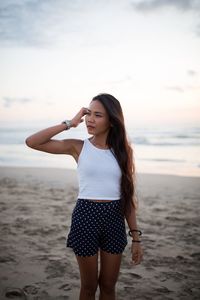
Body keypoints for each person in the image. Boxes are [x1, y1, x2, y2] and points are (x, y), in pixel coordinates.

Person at [25, 93, 143, 300]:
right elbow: (32, 142)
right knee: (88, 287)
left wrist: (136, 237)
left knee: (108, 286)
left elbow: (128, 196)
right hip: (86, 215)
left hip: (114, 219)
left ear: (112, 121)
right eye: (89, 114)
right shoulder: (78, 147)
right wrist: (69, 123)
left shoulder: (124, 151)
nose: (90, 120)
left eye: (98, 115)